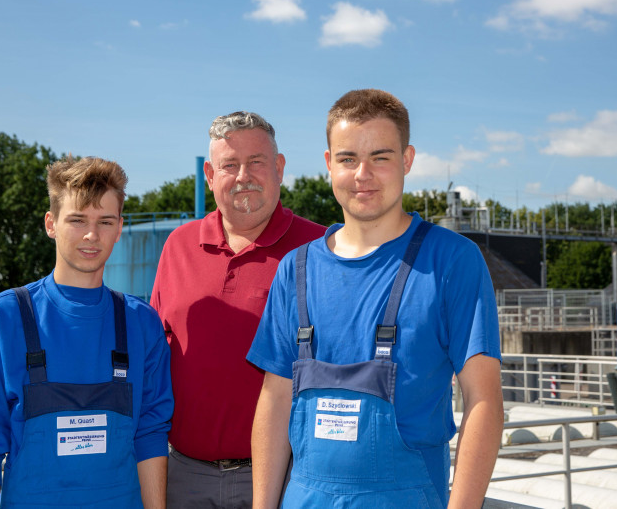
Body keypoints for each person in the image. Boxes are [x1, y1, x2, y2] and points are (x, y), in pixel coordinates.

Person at [248, 89, 504, 508]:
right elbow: (274, 401)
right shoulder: (295, 271)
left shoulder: (452, 262)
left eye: (380, 157)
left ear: (407, 160)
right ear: (330, 164)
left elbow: (484, 400)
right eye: (348, 158)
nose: (362, 174)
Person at [151, 111, 325, 508]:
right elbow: (155, 357)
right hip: (184, 477)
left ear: (279, 168)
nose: (243, 175)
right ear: (210, 175)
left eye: (256, 162)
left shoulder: (320, 249)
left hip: (285, 478)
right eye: (230, 165)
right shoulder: (178, 247)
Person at [0, 156, 173, 508]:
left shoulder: (142, 324)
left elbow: (150, 434)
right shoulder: (2, 319)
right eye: (77, 219)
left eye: (105, 222)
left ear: (119, 228)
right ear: (51, 224)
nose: (91, 235)